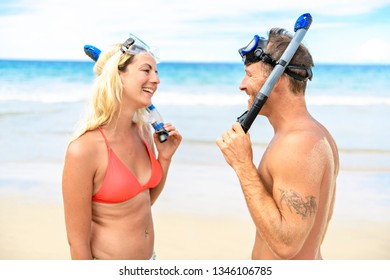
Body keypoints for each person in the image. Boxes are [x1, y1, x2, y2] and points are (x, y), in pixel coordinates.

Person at [216, 28, 339, 260]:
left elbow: (286, 246)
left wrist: (243, 165)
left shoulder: (298, 144)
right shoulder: (318, 135)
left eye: (249, 75)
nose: (242, 85)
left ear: (277, 80)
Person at [62, 34, 182, 260]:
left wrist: (164, 158)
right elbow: (77, 242)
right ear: (118, 77)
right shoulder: (84, 150)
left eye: (156, 72)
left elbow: (143, 202)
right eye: (146, 71)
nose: (156, 80)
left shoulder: (145, 131)